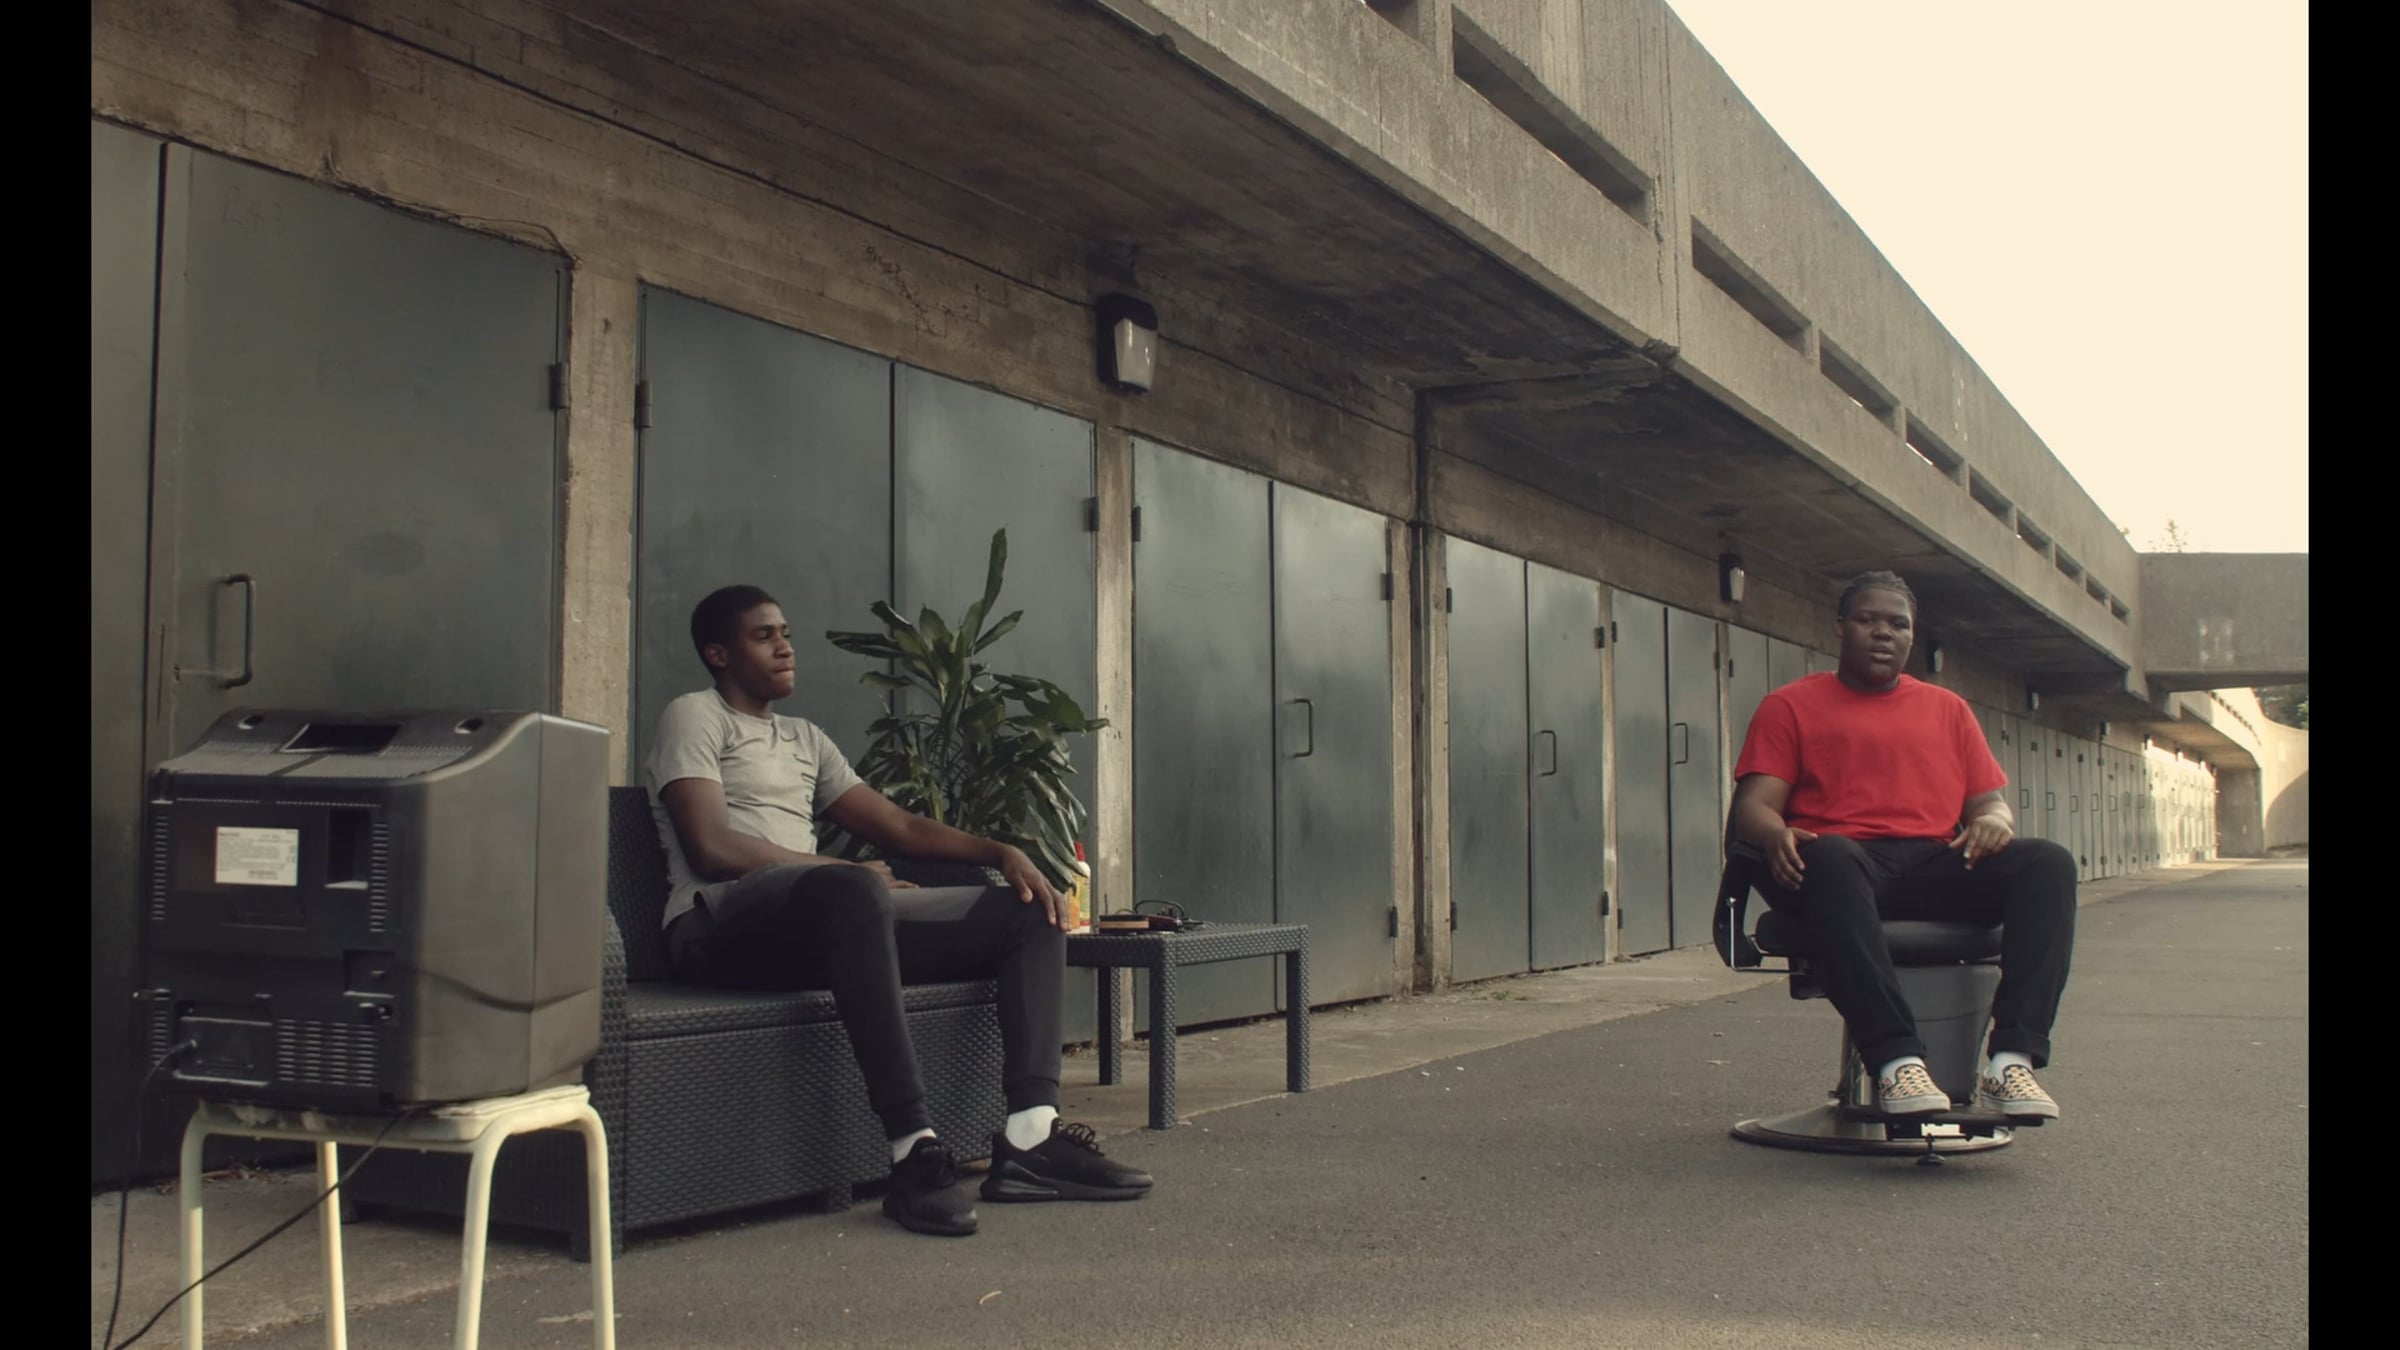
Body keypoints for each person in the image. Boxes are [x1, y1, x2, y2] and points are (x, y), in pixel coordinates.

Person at [648, 584, 1151, 1236]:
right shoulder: (695, 716)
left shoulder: (804, 738)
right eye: (763, 635)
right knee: (854, 889)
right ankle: (913, 1151)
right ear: (718, 654)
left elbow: (900, 829)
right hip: (717, 930)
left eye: (787, 633)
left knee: (1029, 912)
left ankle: (1031, 1138)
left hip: (816, 926)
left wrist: (1002, 852)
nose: (785, 647)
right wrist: (844, 873)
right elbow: (712, 847)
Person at [1728, 570, 2076, 1120]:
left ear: (1913, 635)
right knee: (1834, 854)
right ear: (1841, 627)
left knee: (2048, 863)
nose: (1883, 633)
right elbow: (1753, 806)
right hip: (1834, 869)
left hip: (1929, 864)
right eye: (1868, 620)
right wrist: (1776, 833)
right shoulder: (1790, 705)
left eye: (1898, 624)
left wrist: (1995, 821)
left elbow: (1989, 804)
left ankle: (2012, 1063)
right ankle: (1896, 1062)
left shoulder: (1948, 709)